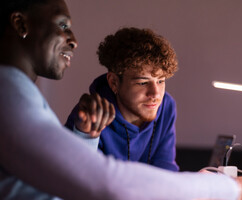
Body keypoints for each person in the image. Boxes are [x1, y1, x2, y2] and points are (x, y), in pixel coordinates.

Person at [0, 0, 242, 200]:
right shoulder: (9, 95)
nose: (75, 40)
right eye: (63, 25)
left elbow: (58, 186)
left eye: (161, 81)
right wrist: (238, 189)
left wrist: (83, 140)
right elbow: (107, 188)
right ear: (20, 23)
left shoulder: (21, 92)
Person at [65, 27, 179, 172]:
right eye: (143, 83)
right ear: (114, 83)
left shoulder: (166, 106)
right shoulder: (90, 116)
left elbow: (166, 169)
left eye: (161, 81)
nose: (155, 94)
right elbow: (82, 179)